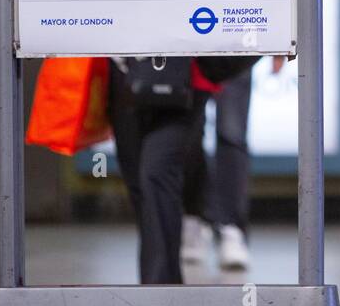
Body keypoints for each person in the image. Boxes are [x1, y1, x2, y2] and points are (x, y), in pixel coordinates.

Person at [107, 55, 255, 285]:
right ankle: (161, 282)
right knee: (139, 180)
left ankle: (160, 285)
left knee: (157, 172)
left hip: (186, 75)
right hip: (123, 71)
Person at [180, 56, 285, 271]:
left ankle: (230, 227)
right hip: (189, 43)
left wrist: (279, 46)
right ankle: (194, 216)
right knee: (187, 132)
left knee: (231, 131)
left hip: (234, 34)